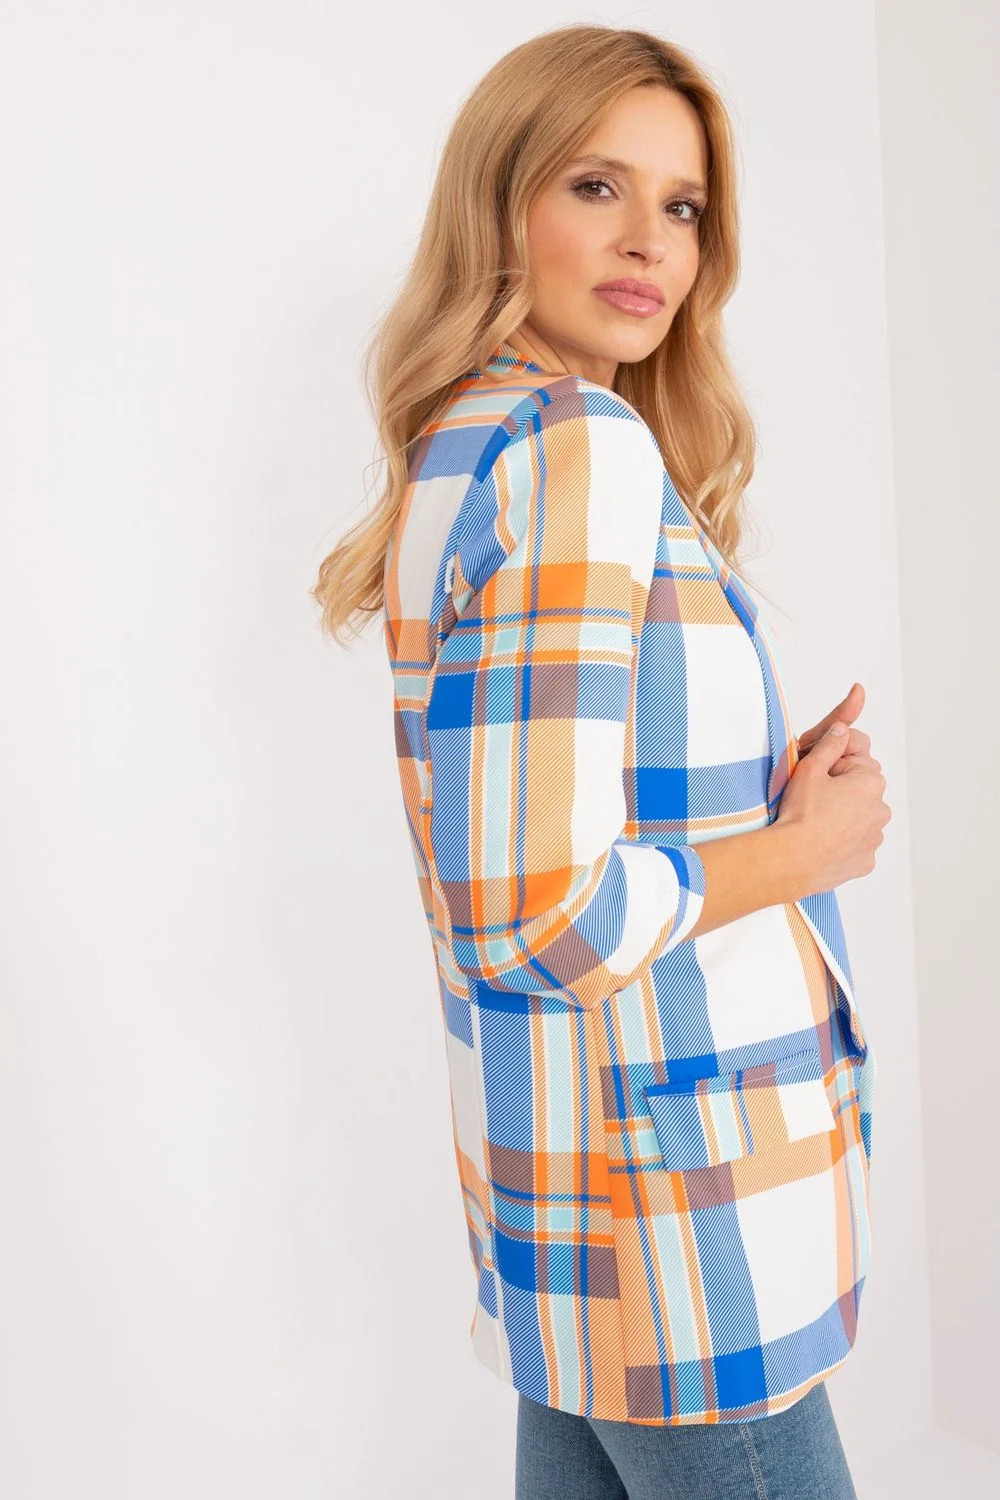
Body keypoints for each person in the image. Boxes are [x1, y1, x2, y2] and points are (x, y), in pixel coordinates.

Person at [312, 23, 890, 1499]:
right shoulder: (577, 447)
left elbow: (541, 831)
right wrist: (804, 854)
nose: (651, 243)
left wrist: (752, 785)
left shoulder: (475, 438)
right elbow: (535, 914)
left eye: (683, 206)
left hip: (578, 1193)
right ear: (499, 199)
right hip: (685, 1223)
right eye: (596, 186)